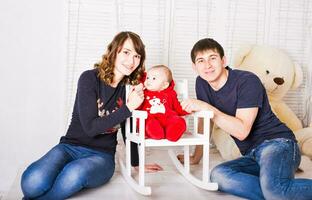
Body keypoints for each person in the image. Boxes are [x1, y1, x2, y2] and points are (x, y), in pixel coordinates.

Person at [20, 31, 162, 200]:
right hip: (70, 147)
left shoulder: (130, 89)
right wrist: (129, 107)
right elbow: (90, 128)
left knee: (74, 174)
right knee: (31, 183)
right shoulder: (89, 78)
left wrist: (136, 163)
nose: (131, 61)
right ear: (114, 51)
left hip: (101, 156)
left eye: (137, 56)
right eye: (126, 52)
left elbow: (127, 130)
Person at [180, 38, 312, 199]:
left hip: (279, 144)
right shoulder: (202, 82)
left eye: (212, 58)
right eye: (201, 60)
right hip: (252, 154)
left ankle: (276, 190)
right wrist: (196, 157)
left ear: (223, 61)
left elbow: (242, 131)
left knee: (275, 191)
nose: (207, 65)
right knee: (219, 175)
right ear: (195, 67)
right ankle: (275, 190)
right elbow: (205, 119)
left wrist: (207, 108)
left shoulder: (247, 81)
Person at [139, 65, 189, 141]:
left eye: (154, 78)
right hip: (150, 118)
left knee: (176, 119)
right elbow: (137, 106)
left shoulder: (171, 94)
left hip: (167, 119)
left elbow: (177, 107)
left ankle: (173, 132)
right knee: (147, 121)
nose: (148, 80)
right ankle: (154, 131)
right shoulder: (143, 93)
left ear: (165, 85)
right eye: (147, 78)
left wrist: (187, 109)